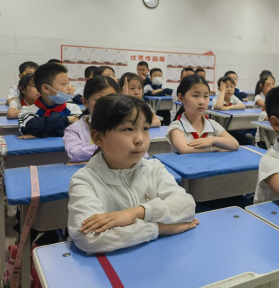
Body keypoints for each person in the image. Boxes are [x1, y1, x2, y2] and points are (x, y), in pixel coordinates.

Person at [67, 94, 197, 254]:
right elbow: (91, 238)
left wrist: (136, 213)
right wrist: (158, 228)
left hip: (158, 257)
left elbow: (187, 206)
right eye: (128, 129)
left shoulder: (154, 168)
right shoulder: (84, 180)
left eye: (145, 129)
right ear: (98, 137)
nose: (140, 139)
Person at [166, 75, 239, 154]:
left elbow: (234, 144)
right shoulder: (177, 126)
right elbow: (185, 149)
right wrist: (215, 148)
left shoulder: (212, 124)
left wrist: (212, 140)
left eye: (206, 96)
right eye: (195, 96)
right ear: (180, 98)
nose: (202, 102)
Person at [63, 76, 124, 163]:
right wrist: (114, 147)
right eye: (100, 100)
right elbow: (76, 153)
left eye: (112, 99)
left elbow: (141, 154)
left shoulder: (124, 124)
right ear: (85, 102)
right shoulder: (74, 130)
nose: (106, 105)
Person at [18, 63, 81, 138]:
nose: (69, 88)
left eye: (69, 83)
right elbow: (29, 128)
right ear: (46, 88)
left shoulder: (73, 108)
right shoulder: (28, 110)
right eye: (64, 84)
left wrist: (42, 132)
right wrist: (66, 119)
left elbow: (77, 130)